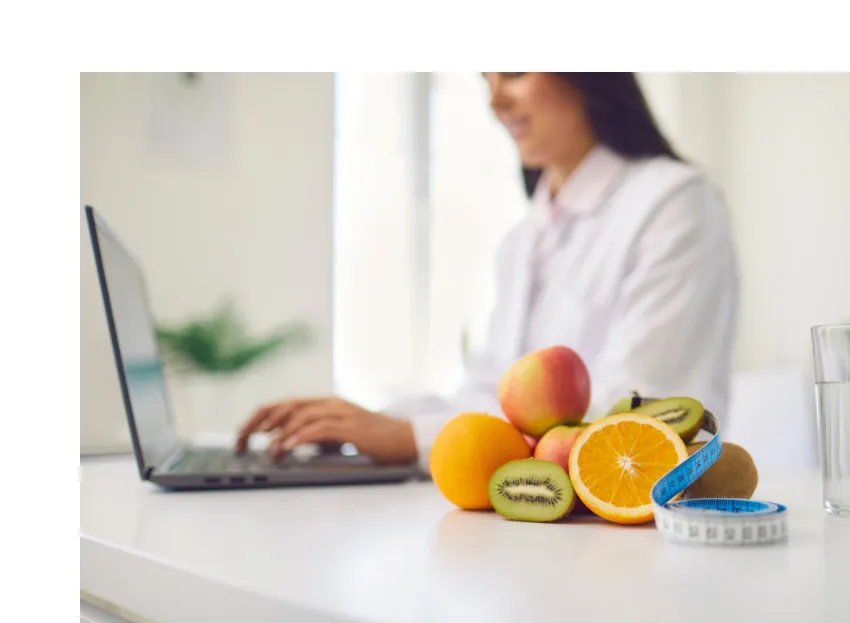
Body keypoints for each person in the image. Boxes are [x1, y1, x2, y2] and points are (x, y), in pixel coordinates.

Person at [235, 72, 739, 468]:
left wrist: (409, 438)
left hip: (631, 523)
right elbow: (486, 393)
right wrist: (359, 422)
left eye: (514, 72)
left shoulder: (673, 203)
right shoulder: (523, 238)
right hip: (533, 525)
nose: (494, 100)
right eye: (486, 79)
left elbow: (639, 410)